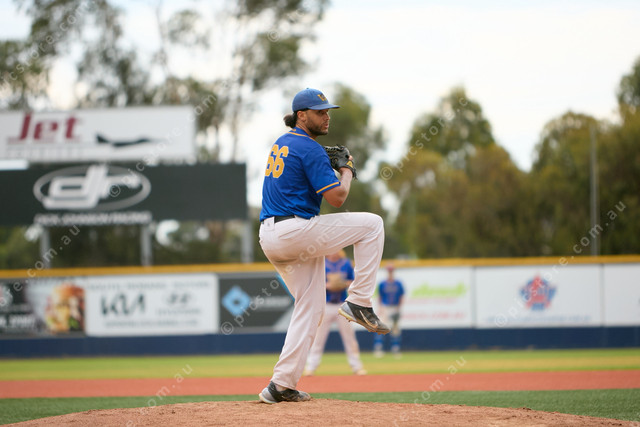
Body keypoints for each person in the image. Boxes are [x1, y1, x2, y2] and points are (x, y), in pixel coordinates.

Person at [257, 88, 389, 404]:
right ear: (301, 115)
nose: (326, 116)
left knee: (311, 306)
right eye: (320, 112)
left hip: (270, 235)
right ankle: (359, 301)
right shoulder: (309, 148)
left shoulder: (282, 142)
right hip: (294, 231)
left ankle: (281, 385)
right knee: (373, 225)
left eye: (328, 111)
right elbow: (337, 197)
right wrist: (346, 170)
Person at [304, 250, 367, 376]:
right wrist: (328, 285)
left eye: (337, 249)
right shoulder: (322, 263)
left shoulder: (346, 263)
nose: (334, 252)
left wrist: (343, 283)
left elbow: (354, 281)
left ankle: (356, 366)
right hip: (326, 305)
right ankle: (311, 367)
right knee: (318, 338)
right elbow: (315, 282)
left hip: (342, 305)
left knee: (349, 338)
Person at [373, 263, 405, 358]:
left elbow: (401, 296)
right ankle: (378, 349)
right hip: (385, 307)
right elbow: (379, 296)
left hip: (395, 307)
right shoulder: (382, 283)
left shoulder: (398, 283)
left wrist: (399, 308)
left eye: (391, 271)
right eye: (389, 271)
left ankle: (396, 349)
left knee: (395, 329)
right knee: (381, 328)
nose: (390, 272)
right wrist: (380, 308)